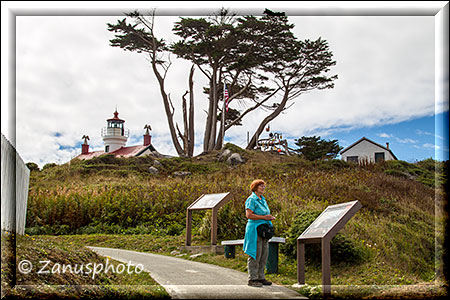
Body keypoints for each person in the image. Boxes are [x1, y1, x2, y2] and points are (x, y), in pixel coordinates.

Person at [243, 179, 275, 287]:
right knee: (255, 253)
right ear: (255, 187)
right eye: (261, 186)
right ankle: (252, 278)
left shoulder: (262, 199)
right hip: (255, 229)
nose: (263, 187)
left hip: (264, 229)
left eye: (263, 186)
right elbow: (249, 215)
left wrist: (269, 218)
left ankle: (261, 277)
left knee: (264, 254)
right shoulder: (251, 199)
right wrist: (264, 217)